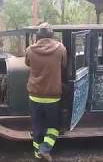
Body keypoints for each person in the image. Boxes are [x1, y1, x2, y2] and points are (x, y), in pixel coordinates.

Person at [25, 22, 67, 161]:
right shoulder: (60, 48)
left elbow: (27, 63)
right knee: (53, 127)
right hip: (52, 96)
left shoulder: (30, 49)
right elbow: (64, 64)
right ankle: (45, 149)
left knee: (37, 127)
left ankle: (37, 154)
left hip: (35, 95)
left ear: (38, 36)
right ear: (51, 35)